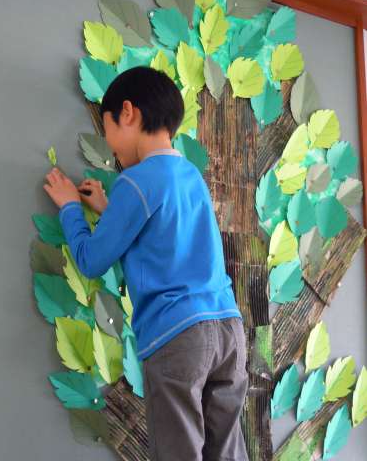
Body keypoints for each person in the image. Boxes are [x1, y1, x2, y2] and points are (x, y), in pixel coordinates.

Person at [43, 66, 249, 461]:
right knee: (226, 452)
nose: (110, 148)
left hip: (179, 335)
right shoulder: (190, 175)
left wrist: (70, 207)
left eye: (108, 131)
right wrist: (108, 208)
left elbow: (91, 259)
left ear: (128, 113)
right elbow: (160, 233)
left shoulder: (134, 181)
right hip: (227, 329)